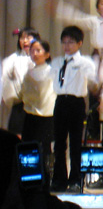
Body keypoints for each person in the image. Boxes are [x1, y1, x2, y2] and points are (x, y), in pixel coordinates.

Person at [50, 25, 97, 192]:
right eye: (64, 42)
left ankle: (76, 180)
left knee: (76, 143)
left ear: (79, 43)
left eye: (70, 42)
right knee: (59, 143)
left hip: (76, 103)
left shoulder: (85, 63)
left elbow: (93, 81)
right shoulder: (57, 62)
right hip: (60, 102)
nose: (67, 46)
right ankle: (59, 179)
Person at [19, 39, 56, 180]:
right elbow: (24, 93)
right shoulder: (29, 73)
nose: (34, 53)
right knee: (29, 147)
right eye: (32, 51)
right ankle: (30, 177)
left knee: (46, 148)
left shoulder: (52, 72)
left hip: (48, 115)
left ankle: (47, 177)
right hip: (31, 115)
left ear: (47, 54)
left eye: (38, 50)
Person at [1, 27, 38, 133]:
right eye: (22, 38)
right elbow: (2, 75)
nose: (25, 41)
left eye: (28, 38)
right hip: (20, 105)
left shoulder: (42, 57)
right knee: (17, 135)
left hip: (38, 105)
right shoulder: (14, 58)